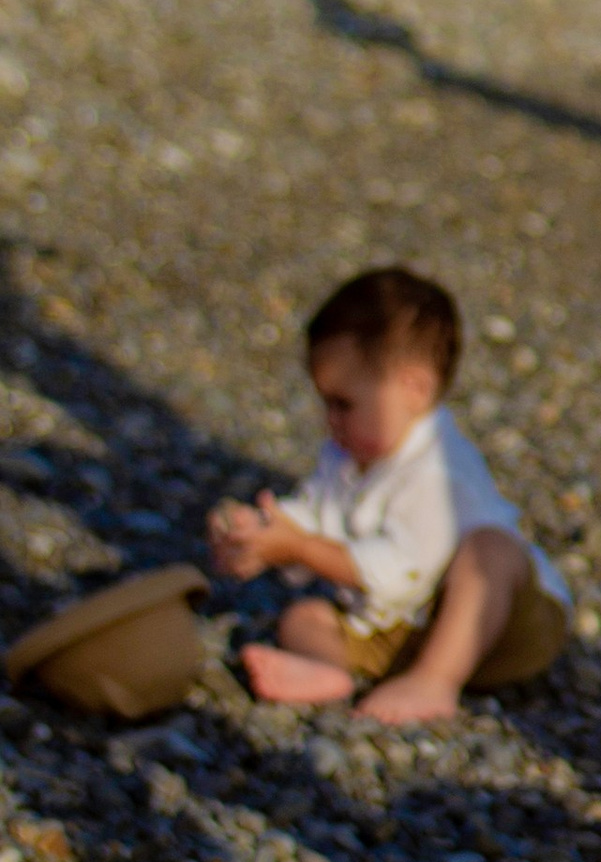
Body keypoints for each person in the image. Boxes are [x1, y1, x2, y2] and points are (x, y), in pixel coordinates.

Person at [209, 266, 569, 723]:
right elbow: (317, 512)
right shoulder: (348, 453)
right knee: (304, 617)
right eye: (325, 403)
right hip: (401, 628)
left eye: (343, 403)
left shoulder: (439, 470)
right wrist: (263, 533)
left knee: (492, 550)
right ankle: (325, 671)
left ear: (414, 389)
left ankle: (434, 681)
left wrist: (299, 548)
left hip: (501, 628)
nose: (330, 421)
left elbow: (400, 571)